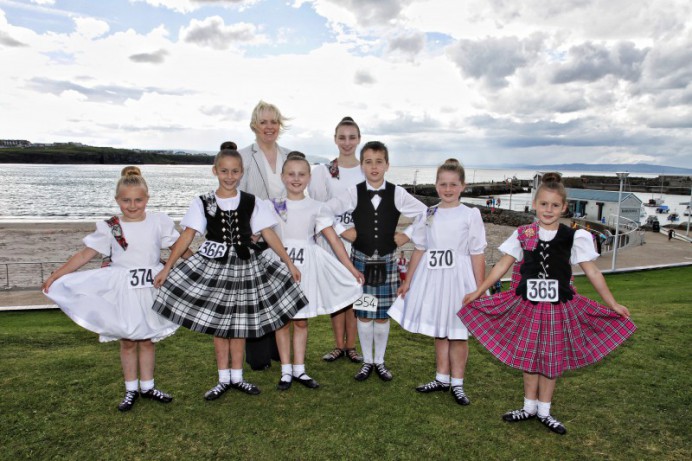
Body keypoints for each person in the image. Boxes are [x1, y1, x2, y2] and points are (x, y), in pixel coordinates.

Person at [459, 172, 636, 435]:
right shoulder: (523, 234)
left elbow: (593, 273)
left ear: (564, 207)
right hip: (527, 307)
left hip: (557, 309)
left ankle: (544, 411)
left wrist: (612, 304)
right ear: (534, 205)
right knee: (530, 357)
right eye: (544, 204)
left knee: (551, 360)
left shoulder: (574, 237)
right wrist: (478, 291)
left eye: (555, 205)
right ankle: (528, 407)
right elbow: (501, 268)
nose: (549, 210)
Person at [152, 144, 308, 400]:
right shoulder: (203, 202)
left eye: (235, 171)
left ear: (241, 172)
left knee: (238, 324)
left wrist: (288, 262)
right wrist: (168, 268)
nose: (229, 176)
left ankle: (237, 377)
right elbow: (187, 236)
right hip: (215, 268)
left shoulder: (251, 201)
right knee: (219, 325)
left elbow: (268, 233)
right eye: (224, 171)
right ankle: (223, 378)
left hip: (246, 266)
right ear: (215, 171)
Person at [42, 166, 179, 412]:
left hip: (151, 285)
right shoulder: (110, 227)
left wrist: (199, 266)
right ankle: (130, 389)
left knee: (147, 339)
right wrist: (58, 274)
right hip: (122, 290)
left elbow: (178, 249)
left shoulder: (159, 222)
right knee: (127, 339)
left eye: (138, 200)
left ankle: (147, 386)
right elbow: (85, 254)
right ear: (117, 200)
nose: (133, 205)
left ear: (147, 199)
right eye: (126, 200)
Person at [327, 141, 427, 382]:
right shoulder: (353, 193)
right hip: (361, 261)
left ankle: (379, 361)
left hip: (387, 262)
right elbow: (325, 211)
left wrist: (406, 235)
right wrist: (342, 230)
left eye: (378, 161)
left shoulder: (398, 193)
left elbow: (426, 212)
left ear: (387, 165)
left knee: (381, 315)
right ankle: (367, 361)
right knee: (364, 313)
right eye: (368, 162)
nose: (374, 167)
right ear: (362, 166)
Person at [389, 159, 486, 405]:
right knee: (440, 330)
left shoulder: (470, 215)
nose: (448, 188)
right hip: (433, 278)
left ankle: (458, 383)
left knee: (457, 331)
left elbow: (477, 253)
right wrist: (408, 281)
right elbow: (420, 249)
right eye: (443, 184)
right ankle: (441, 377)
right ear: (436, 185)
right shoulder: (428, 213)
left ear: (463, 186)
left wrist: (479, 288)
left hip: (458, 278)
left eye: (453, 184)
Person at [269, 152, 364, 390]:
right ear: (283, 177)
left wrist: (350, 268)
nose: (296, 178)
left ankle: (300, 369)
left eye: (301, 174)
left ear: (309, 178)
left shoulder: (318, 207)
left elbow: (334, 241)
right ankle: (285, 370)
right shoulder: (272, 205)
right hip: (280, 264)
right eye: (291, 174)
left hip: (307, 266)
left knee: (300, 321)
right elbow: (264, 233)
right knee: (282, 321)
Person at [238, 100, 292, 370]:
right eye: (264, 122)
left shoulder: (290, 155)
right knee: (256, 294)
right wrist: (248, 231)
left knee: (279, 291)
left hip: (286, 233)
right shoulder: (244, 157)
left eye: (273, 121)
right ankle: (258, 353)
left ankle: (278, 350)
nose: (269, 127)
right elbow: (234, 196)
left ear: (279, 125)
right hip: (255, 235)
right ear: (254, 125)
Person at [309, 116, 366, 363]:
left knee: (358, 292)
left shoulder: (367, 170)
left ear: (359, 139)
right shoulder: (324, 172)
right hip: (333, 240)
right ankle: (337, 345)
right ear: (335, 139)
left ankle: (353, 346)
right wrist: (341, 231)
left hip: (361, 240)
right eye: (342, 137)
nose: (347, 142)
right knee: (337, 294)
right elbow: (319, 209)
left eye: (352, 137)